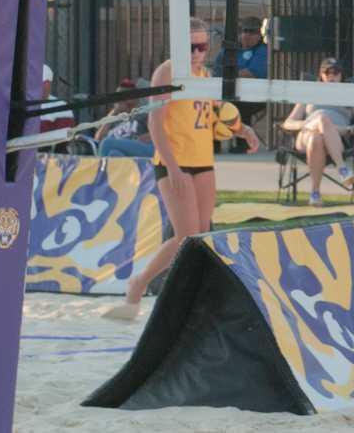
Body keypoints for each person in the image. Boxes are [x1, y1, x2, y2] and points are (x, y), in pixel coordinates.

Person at [109, 19, 257, 320]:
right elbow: (155, 123)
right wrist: (173, 168)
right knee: (185, 235)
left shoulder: (205, 75)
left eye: (203, 46)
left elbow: (216, 114)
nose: (198, 53)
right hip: (174, 162)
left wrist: (243, 130)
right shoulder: (167, 72)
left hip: (203, 161)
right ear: (178, 45)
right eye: (192, 47)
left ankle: (192, 298)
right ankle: (138, 285)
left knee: (201, 236)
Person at [283, 57, 354, 207]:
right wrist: (308, 123)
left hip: (336, 141)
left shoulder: (351, 94)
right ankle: (342, 168)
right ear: (321, 75)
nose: (331, 76)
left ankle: (315, 193)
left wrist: (332, 130)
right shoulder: (310, 92)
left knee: (318, 138)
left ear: (341, 75)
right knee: (321, 118)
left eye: (336, 73)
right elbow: (288, 123)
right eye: (327, 72)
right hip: (305, 136)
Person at [224, 15, 270, 135]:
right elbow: (217, 68)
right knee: (213, 104)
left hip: (256, 95)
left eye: (252, 32)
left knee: (239, 105)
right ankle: (216, 144)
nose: (247, 35)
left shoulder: (262, 50)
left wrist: (229, 73)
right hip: (227, 91)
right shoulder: (231, 48)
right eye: (245, 31)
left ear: (260, 35)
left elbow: (250, 73)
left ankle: (243, 144)